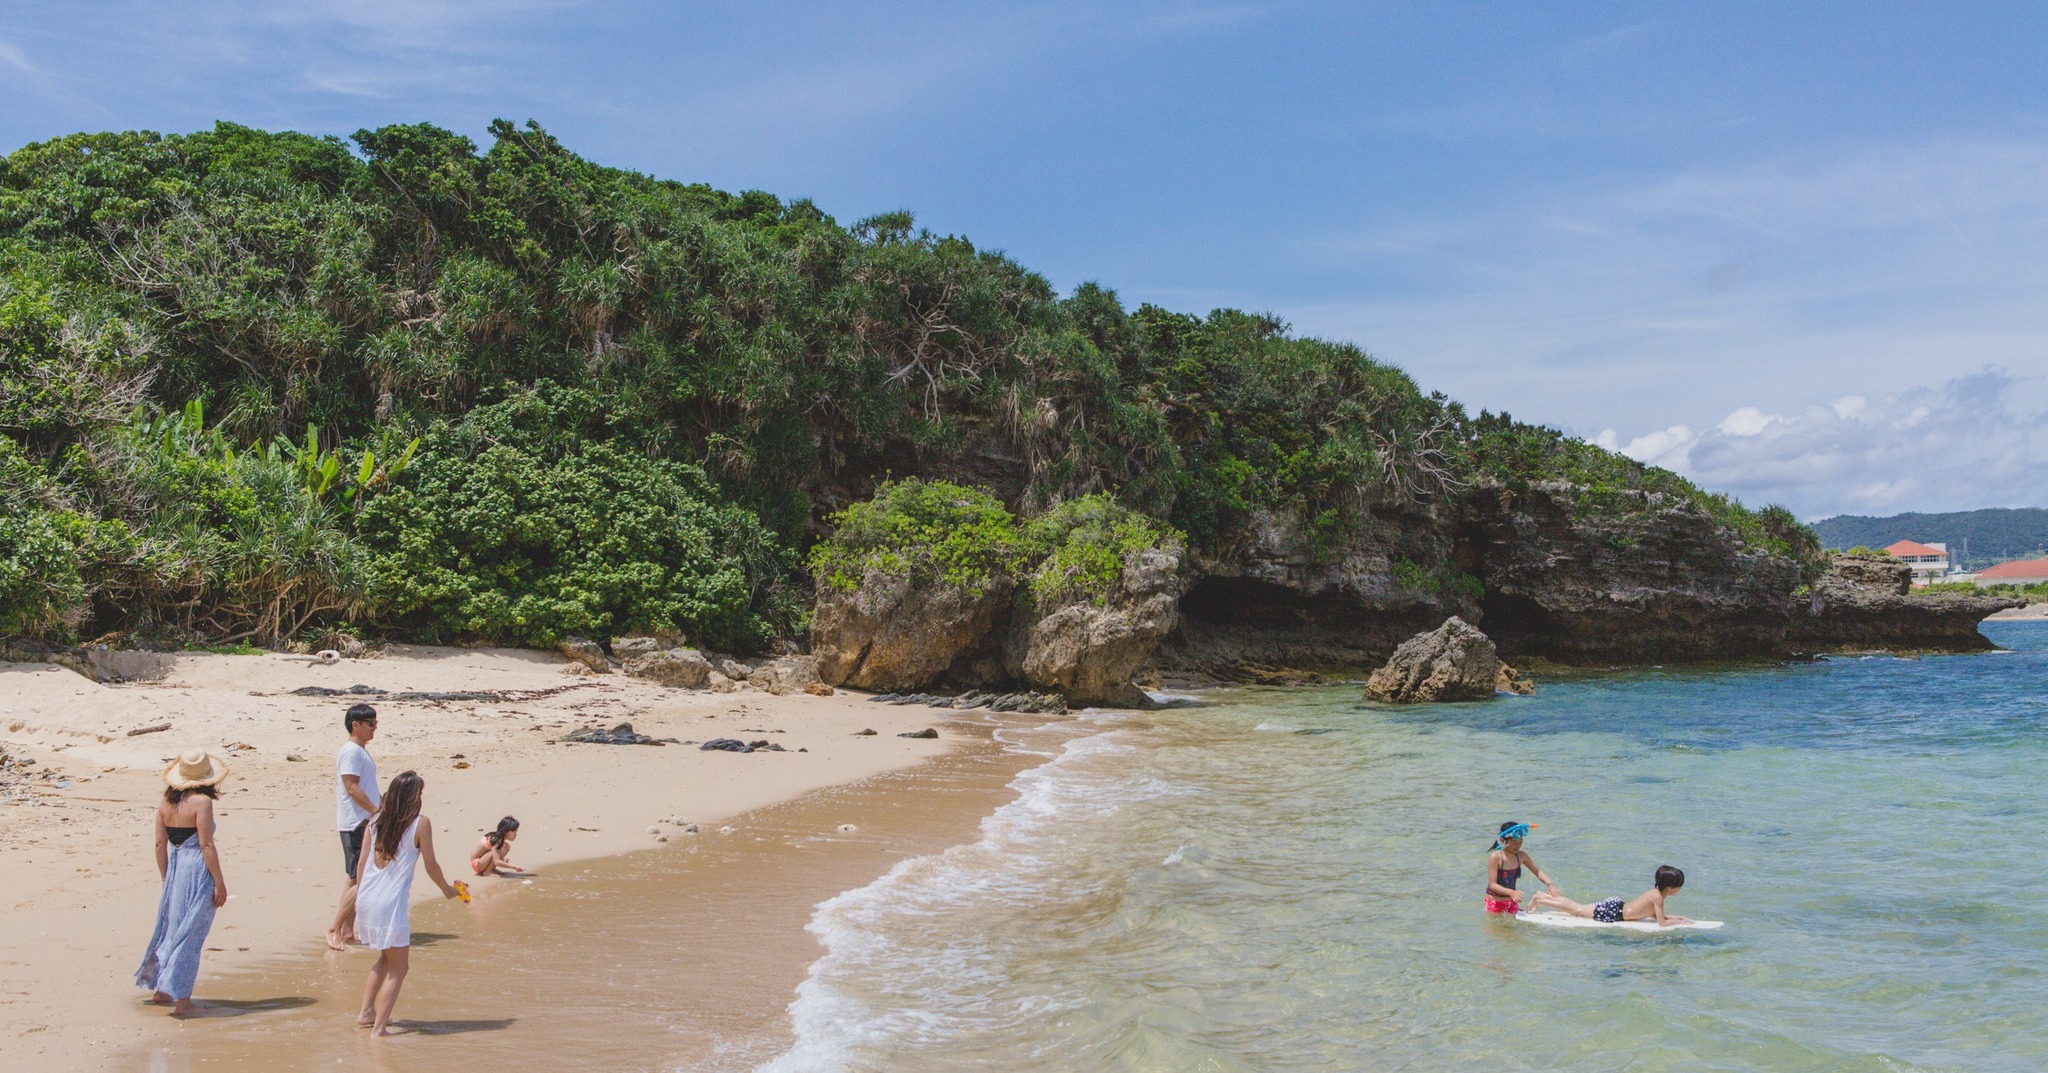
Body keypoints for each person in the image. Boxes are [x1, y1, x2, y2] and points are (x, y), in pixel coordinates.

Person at [353, 770, 464, 1035]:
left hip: (367, 898)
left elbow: (361, 863)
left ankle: (366, 1013)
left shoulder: (376, 820)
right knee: (400, 967)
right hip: (390, 905)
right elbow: (431, 865)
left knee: (386, 957)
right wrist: (446, 889)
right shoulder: (420, 824)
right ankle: (379, 1029)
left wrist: (359, 899)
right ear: (414, 797)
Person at [135, 750, 231, 1015]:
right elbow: (206, 844)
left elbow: (159, 844)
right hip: (196, 867)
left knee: (171, 928)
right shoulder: (202, 802)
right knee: (191, 933)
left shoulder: (165, 804)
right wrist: (219, 882)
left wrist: (166, 877)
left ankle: (163, 989)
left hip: (176, 867)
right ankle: (183, 1001)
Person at [328, 704, 381, 950]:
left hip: (363, 821)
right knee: (356, 879)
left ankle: (347, 931)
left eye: (375, 723)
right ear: (355, 725)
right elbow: (351, 787)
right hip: (356, 822)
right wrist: (375, 811)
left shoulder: (360, 751)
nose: (374, 728)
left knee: (358, 878)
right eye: (370, 723)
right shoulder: (351, 751)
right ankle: (335, 929)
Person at [1533, 865, 1693, 926]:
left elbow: (1651, 914)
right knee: (1577, 910)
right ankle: (1541, 899)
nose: (1680, 889)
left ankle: (1543, 897)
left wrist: (1673, 917)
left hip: (1618, 908)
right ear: (1671, 888)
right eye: (1679, 886)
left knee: (1578, 909)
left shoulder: (1656, 894)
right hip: (1615, 913)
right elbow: (1661, 923)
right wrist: (1680, 923)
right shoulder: (1657, 897)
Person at [1484, 821, 1561, 914]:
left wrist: (1550, 884)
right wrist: (1511, 892)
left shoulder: (1521, 856)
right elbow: (1492, 885)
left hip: (1511, 902)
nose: (1518, 845)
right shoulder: (1496, 858)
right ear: (1502, 840)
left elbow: (1537, 871)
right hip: (1494, 902)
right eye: (1514, 842)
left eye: (1520, 841)